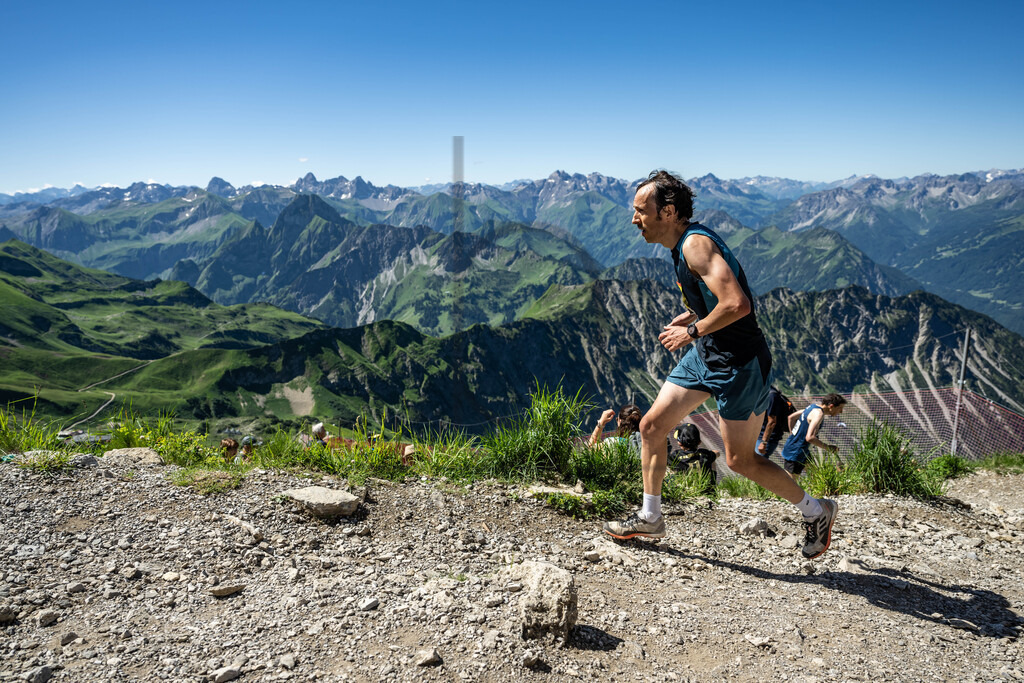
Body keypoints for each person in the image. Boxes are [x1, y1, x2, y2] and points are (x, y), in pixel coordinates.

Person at [602, 170, 838, 560]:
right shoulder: (681, 245)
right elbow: (717, 301)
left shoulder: (695, 245)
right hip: (708, 354)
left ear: (669, 211)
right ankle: (650, 516)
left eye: (641, 211)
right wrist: (693, 313)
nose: (634, 219)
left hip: (740, 365)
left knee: (740, 460)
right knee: (651, 426)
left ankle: (817, 510)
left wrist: (692, 331)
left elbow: (738, 304)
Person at [781, 393, 847, 479]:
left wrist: (793, 435)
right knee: (790, 484)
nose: (841, 412)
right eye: (840, 408)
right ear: (831, 406)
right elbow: (810, 438)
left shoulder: (812, 407)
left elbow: (791, 418)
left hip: (801, 450)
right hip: (795, 452)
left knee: (816, 477)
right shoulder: (818, 414)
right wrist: (828, 447)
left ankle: (817, 492)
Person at [669, 423, 718, 491]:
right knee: (712, 459)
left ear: (679, 443)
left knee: (671, 466)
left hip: (686, 491)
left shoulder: (676, 455)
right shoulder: (705, 454)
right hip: (706, 491)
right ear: (699, 442)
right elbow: (717, 452)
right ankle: (712, 487)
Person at [756, 386, 793, 458]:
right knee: (754, 465)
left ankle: (779, 470)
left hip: (766, 439)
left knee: (758, 466)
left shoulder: (772, 396)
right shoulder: (765, 393)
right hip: (759, 436)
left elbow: (772, 421)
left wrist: (764, 442)